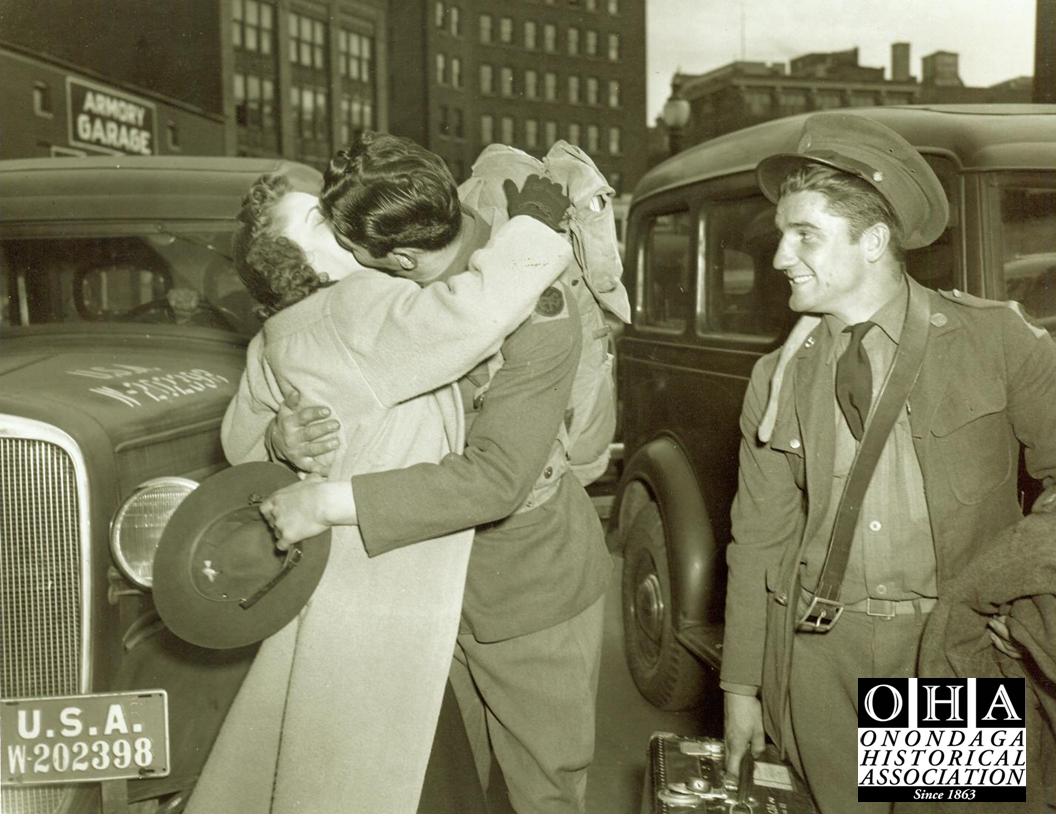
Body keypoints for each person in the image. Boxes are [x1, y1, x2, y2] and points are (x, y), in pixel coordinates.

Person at [186, 163, 574, 813]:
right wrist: (531, 225)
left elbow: (238, 441)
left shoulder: (276, 336)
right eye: (320, 218)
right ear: (298, 257)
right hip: (397, 584)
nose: (342, 218)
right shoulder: (355, 307)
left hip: (339, 587)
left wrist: (280, 442)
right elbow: (474, 309)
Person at [719, 111, 1056, 813]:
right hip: (816, 654)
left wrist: (1023, 604)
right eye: (782, 235)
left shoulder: (995, 342)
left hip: (941, 650)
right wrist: (741, 688)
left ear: (873, 240)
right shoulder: (778, 378)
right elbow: (758, 540)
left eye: (804, 235)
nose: (781, 257)